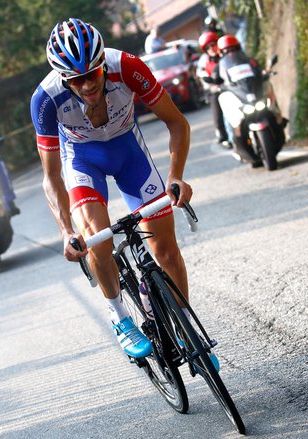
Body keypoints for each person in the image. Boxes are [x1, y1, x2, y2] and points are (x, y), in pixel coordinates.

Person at [30, 18, 198, 362]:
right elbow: (50, 177)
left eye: (92, 73)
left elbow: (176, 122)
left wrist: (177, 176)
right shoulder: (46, 100)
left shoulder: (128, 68)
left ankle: (185, 327)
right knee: (98, 239)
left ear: (102, 63)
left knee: (165, 249)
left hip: (129, 154)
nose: (87, 84)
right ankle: (120, 316)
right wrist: (65, 232)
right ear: (64, 78)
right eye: (76, 79)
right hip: (82, 162)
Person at [212, 34, 265, 167]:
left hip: (252, 94)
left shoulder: (248, 60)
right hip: (238, 98)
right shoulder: (221, 66)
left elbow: (257, 70)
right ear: (222, 52)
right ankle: (235, 142)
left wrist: (264, 73)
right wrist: (216, 85)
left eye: (233, 49)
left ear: (238, 47)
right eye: (226, 50)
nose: (230, 53)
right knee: (230, 115)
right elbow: (216, 79)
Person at [196, 30, 228, 146]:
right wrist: (209, 81)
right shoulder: (204, 61)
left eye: (213, 44)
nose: (212, 48)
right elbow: (200, 74)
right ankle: (221, 132)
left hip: (230, 87)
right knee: (217, 112)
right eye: (208, 47)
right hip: (214, 90)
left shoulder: (226, 54)